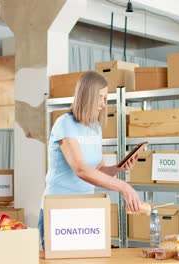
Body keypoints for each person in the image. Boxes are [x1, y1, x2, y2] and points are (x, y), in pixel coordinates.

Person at [38, 71, 142, 249]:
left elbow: (97, 169)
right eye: (100, 97)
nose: (103, 103)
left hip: (85, 208)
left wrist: (118, 168)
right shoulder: (65, 124)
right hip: (58, 209)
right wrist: (123, 187)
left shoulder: (95, 128)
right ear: (87, 96)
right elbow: (81, 170)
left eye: (105, 98)